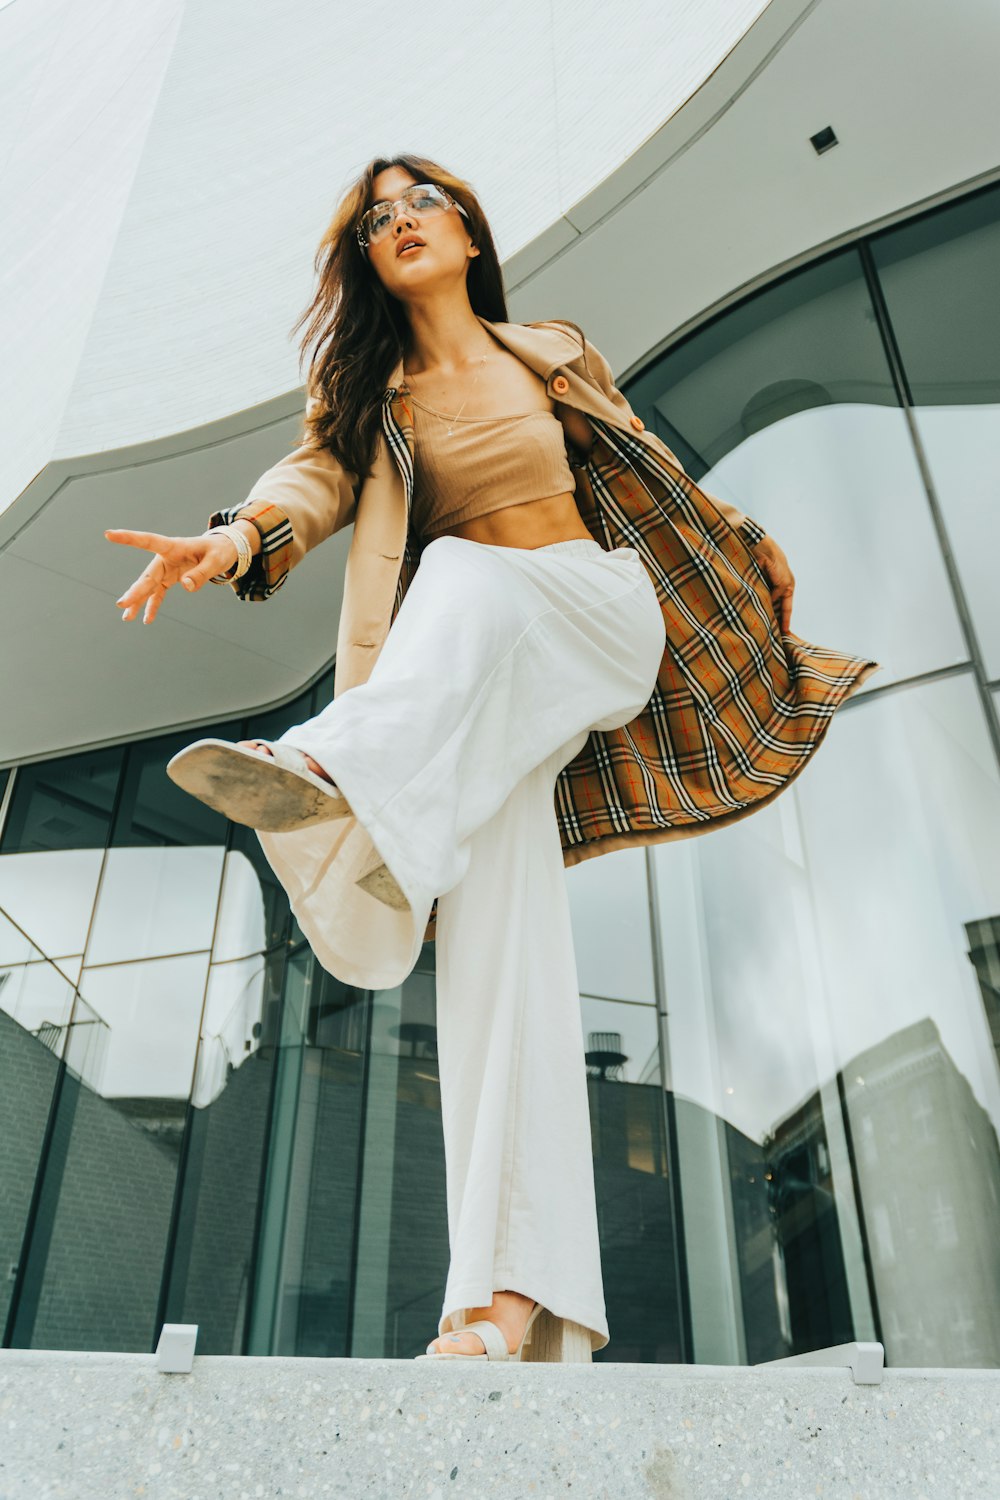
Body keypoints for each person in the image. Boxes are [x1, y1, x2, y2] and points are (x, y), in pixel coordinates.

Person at [105, 155, 881, 1364]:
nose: (400, 222)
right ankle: (507, 1305)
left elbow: (646, 464)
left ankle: (337, 785)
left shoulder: (548, 347)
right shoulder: (374, 394)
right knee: (498, 961)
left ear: (466, 231)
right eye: (376, 219)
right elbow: (306, 482)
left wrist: (741, 535)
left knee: (460, 573)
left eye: (420, 203)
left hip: (594, 611)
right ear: (365, 260)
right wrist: (232, 539)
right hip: (495, 666)